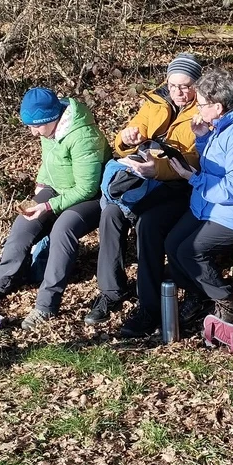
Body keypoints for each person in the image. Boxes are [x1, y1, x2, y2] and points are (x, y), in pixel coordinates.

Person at [0, 88, 110, 329]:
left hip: (91, 198)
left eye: (37, 126)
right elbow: (48, 162)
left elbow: (86, 188)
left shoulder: (83, 135)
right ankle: (0, 282)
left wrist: (47, 206)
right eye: (29, 126)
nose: (33, 132)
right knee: (24, 223)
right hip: (57, 189)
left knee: (62, 230)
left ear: (52, 118)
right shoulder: (48, 129)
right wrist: (41, 186)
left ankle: (46, 305)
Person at [84, 53, 204, 337]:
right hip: (145, 180)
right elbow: (126, 138)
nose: (178, 92)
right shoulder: (156, 102)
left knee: (148, 222)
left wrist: (158, 169)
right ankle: (111, 291)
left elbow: (198, 160)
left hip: (181, 186)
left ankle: (149, 306)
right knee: (111, 212)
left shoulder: (204, 109)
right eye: (173, 85)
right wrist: (126, 139)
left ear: (198, 84)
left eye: (186, 86)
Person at [164, 68, 233, 327]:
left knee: (190, 251)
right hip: (209, 205)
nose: (197, 109)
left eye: (201, 104)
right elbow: (215, 162)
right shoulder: (222, 125)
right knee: (172, 243)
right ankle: (199, 295)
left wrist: (192, 178)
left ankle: (229, 303)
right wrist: (202, 138)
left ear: (218, 106)